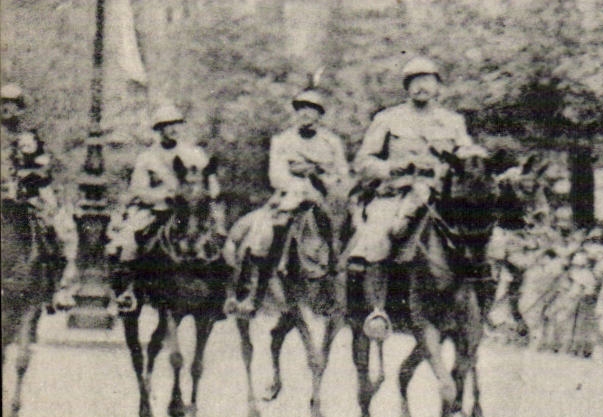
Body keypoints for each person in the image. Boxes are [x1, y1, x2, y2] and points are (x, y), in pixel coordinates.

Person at [344, 56, 474, 340]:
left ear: (438, 86)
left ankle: (484, 303)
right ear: (407, 87)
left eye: (427, 80)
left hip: (441, 196)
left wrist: (467, 159)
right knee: (378, 234)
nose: (421, 87)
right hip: (397, 193)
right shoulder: (388, 119)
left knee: (484, 235)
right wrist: (390, 168)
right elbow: (363, 162)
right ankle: (378, 310)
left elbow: (467, 156)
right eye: (414, 81)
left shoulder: (453, 122)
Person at [224, 88, 350, 315]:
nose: (305, 115)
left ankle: (333, 288)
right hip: (288, 197)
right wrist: (297, 184)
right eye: (301, 110)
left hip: (322, 198)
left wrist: (318, 174)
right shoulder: (282, 140)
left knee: (336, 231)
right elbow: (276, 175)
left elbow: (341, 173)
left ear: (319, 115)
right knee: (265, 232)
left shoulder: (331, 142)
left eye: (311, 111)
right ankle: (254, 291)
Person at [107, 104, 223, 315]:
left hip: (190, 211)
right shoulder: (147, 158)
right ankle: (127, 291)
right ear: (158, 130)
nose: (173, 130)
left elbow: (212, 182)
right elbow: (139, 189)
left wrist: (208, 194)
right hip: (156, 210)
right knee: (128, 243)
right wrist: (163, 196)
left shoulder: (194, 153)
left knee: (220, 242)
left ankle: (221, 296)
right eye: (167, 126)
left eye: (176, 125)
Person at [1, 83, 79, 309]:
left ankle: (58, 288)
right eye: (3, 104)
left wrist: (28, 175)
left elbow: (44, 168)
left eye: (12, 105)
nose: (7, 109)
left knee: (57, 229)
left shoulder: (29, 137)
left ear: (19, 109)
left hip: (27, 195)